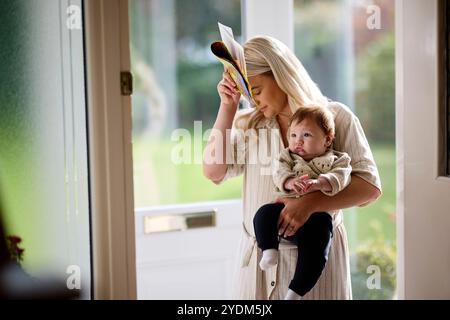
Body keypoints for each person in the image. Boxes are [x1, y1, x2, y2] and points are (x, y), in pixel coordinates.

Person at [203, 35, 381, 300]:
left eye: (257, 90)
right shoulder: (250, 125)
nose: (252, 102)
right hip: (258, 271)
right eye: (246, 94)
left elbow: (369, 188)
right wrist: (227, 107)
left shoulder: (336, 118)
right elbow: (213, 171)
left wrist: (310, 203)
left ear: (279, 74)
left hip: (318, 271)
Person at [253, 104, 352, 300]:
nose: (298, 141)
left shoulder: (337, 159)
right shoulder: (288, 156)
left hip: (317, 217)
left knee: (318, 246)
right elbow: (279, 172)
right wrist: (289, 182)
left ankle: (296, 290)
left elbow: (342, 177)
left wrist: (319, 183)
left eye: (306, 135)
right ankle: (269, 249)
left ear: (327, 139)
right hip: (285, 207)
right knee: (263, 213)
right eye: (293, 135)